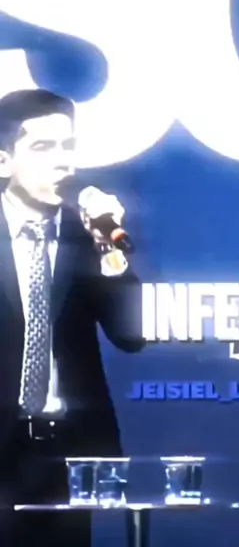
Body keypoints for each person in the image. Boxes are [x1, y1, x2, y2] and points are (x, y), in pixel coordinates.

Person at [0, 88, 144, 546]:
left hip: (69, 450)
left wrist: (108, 250)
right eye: (43, 147)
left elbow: (132, 334)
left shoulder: (90, 238)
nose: (63, 162)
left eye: (69, 147)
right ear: (3, 161)